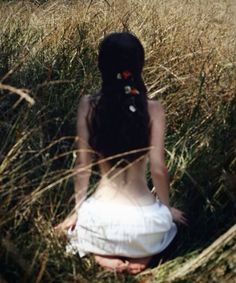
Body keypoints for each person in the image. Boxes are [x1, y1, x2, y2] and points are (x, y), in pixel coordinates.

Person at [55, 32, 187, 274]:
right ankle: (142, 258)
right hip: (145, 225)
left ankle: (102, 257)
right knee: (166, 229)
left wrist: (76, 213)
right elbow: (158, 168)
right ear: (139, 65)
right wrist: (166, 210)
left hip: (99, 222)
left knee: (79, 232)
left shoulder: (89, 105)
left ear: (102, 65)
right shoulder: (154, 109)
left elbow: (82, 164)